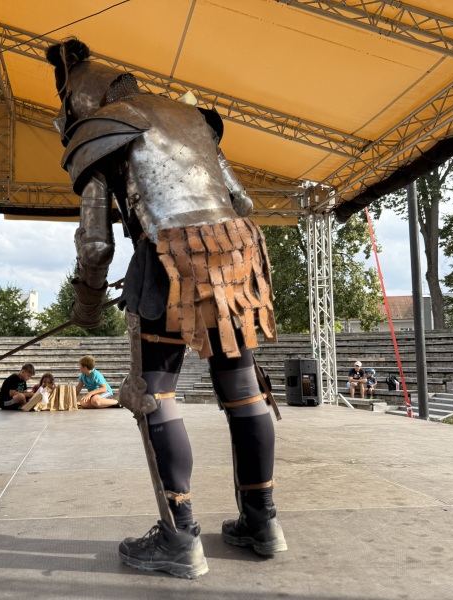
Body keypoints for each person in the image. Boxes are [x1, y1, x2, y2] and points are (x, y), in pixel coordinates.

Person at [45, 38, 285, 579]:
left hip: (167, 258)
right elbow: (242, 202)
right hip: (234, 257)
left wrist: (87, 304)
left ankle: (180, 538)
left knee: (155, 396)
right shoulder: (190, 118)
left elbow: (95, 245)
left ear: (78, 101)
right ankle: (263, 522)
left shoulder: (100, 129)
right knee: (245, 390)